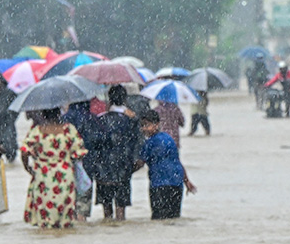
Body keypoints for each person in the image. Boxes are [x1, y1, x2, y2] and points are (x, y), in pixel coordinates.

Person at [20, 107, 86, 229]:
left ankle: (47, 235)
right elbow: (80, 151)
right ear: (59, 114)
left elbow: (24, 151)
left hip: (43, 175)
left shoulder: (37, 131)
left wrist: (27, 168)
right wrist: (66, 158)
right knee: (65, 215)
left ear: (43, 115)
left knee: (45, 215)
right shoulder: (68, 130)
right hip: (65, 175)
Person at [136, 111, 196, 219]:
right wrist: (186, 181)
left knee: (158, 218)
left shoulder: (149, 143)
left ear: (157, 124)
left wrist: (125, 173)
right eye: (142, 126)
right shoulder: (169, 139)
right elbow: (177, 162)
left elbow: (140, 163)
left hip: (159, 186)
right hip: (176, 184)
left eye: (147, 125)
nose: (144, 128)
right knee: (174, 217)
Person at [94, 85, 141, 221]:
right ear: (125, 99)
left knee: (106, 209)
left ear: (109, 99)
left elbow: (95, 145)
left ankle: (108, 228)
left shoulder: (100, 120)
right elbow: (136, 144)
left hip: (103, 171)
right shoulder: (130, 120)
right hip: (123, 169)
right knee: (121, 208)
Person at [62, 99, 99, 220]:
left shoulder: (64, 120)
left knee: (70, 198)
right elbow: (98, 141)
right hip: (88, 163)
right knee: (83, 198)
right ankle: (82, 221)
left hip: (68, 165)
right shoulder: (92, 118)